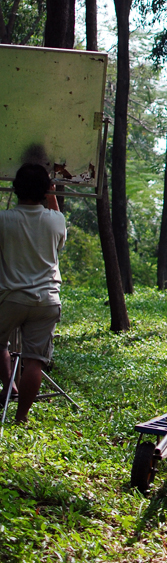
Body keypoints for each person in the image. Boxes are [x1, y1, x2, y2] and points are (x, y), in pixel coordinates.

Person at [0, 163, 66, 425]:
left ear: (15, 188)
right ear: (46, 190)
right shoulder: (56, 220)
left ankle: (10, 385)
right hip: (47, 300)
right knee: (34, 362)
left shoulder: (4, 219)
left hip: (12, 298)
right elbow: (58, 229)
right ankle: (21, 417)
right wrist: (51, 192)